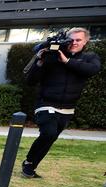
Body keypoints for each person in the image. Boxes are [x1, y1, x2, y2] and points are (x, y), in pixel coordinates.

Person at [21, 27, 101, 178]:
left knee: (51, 138)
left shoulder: (89, 57)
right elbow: (31, 81)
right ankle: (29, 164)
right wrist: (39, 61)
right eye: (72, 40)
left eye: (78, 40)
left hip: (68, 108)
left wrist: (67, 61)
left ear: (85, 41)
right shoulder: (52, 57)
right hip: (46, 103)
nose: (75, 43)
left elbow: (92, 70)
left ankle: (30, 165)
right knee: (48, 133)